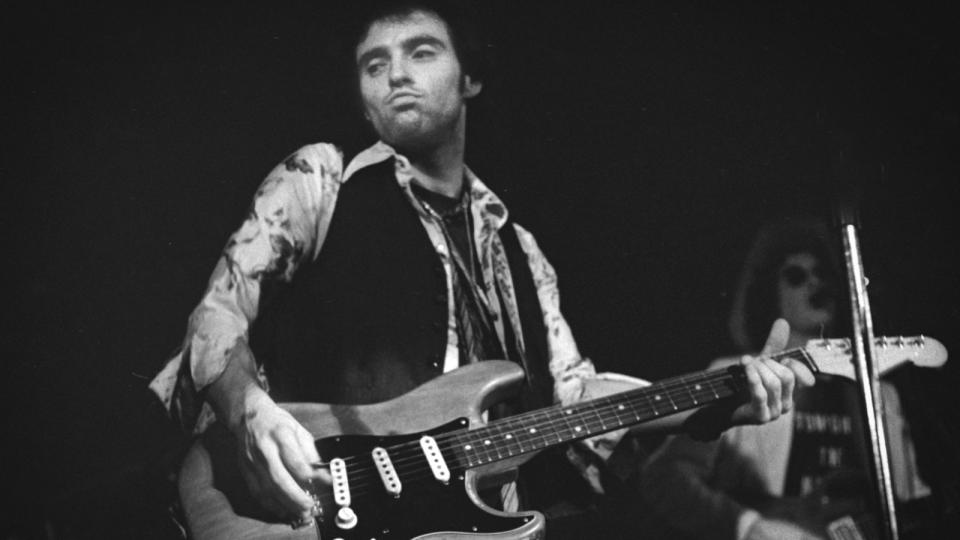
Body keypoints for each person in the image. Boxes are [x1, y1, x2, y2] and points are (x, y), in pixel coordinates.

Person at [148, 1, 814, 536]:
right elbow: (219, 310)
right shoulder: (323, 180)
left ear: (470, 78)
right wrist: (250, 413)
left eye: (421, 52)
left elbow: (574, 400)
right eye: (373, 64)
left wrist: (716, 400)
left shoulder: (519, 248)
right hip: (322, 508)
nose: (395, 74)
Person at [639, 216, 932, 540]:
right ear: (770, 293)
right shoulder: (738, 373)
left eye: (822, 274)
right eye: (796, 276)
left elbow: (911, 499)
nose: (814, 283)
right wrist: (748, 526)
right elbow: (663, 476)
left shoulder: (881, 394)